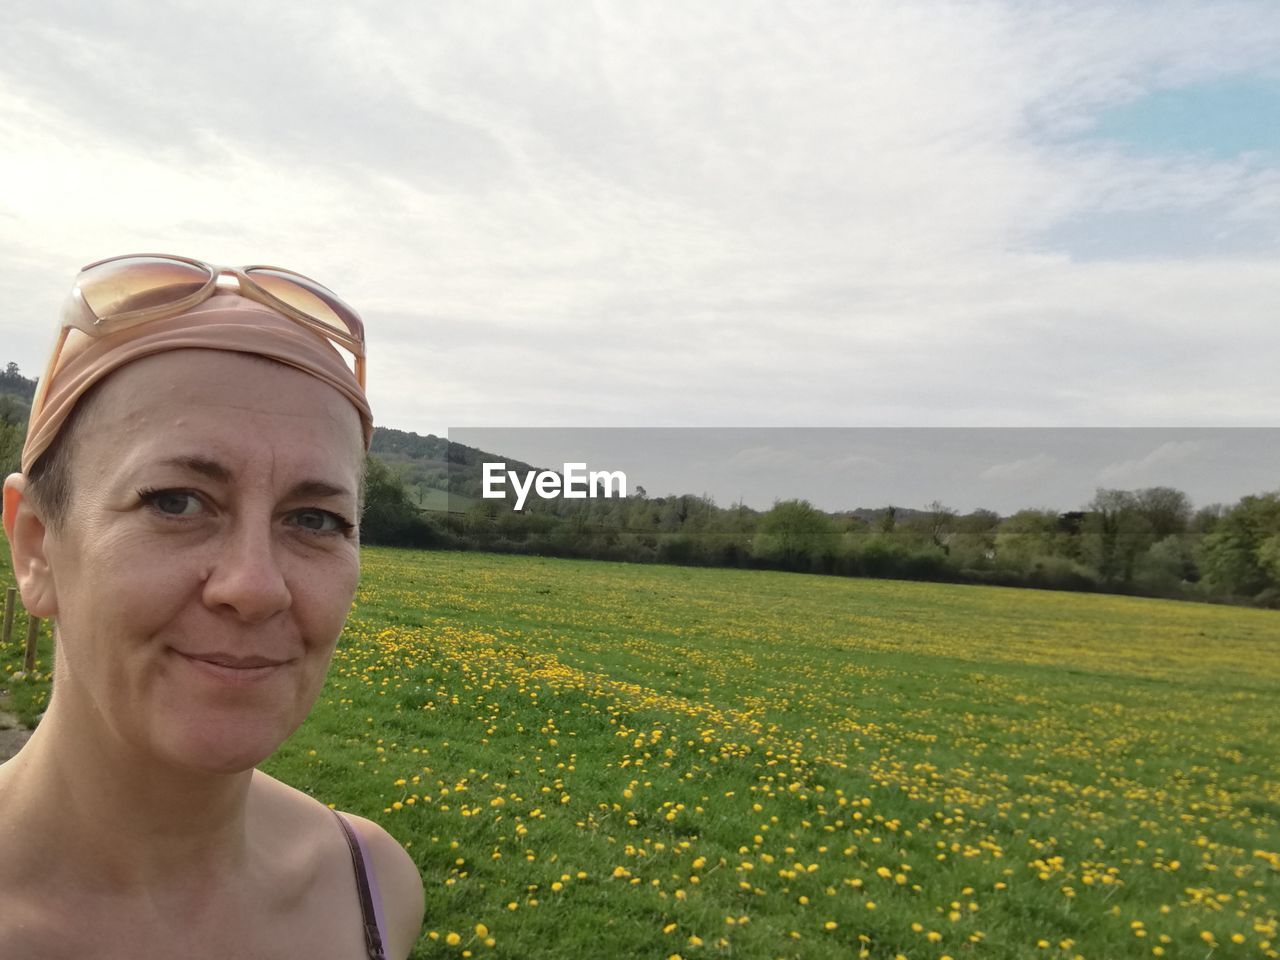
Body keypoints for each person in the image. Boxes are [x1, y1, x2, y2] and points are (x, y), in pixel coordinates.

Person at [0, 255, 425, 958]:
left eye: (315, 519)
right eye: (175, 502)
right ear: (37, 548)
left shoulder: (369, 887)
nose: (255, 587)